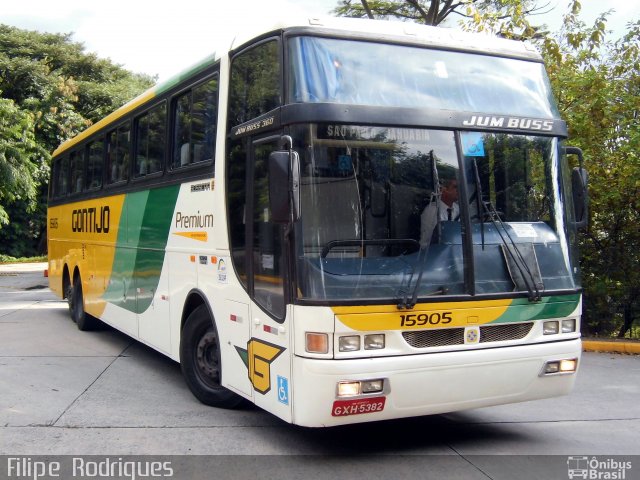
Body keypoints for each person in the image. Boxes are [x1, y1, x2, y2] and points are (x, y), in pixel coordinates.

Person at [420, 177, 460, 245]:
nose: (459, 190)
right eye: (455, 187)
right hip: (433, 252)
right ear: (443, 190)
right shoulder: (432, 210)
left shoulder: (458, 209)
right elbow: (428, 241)